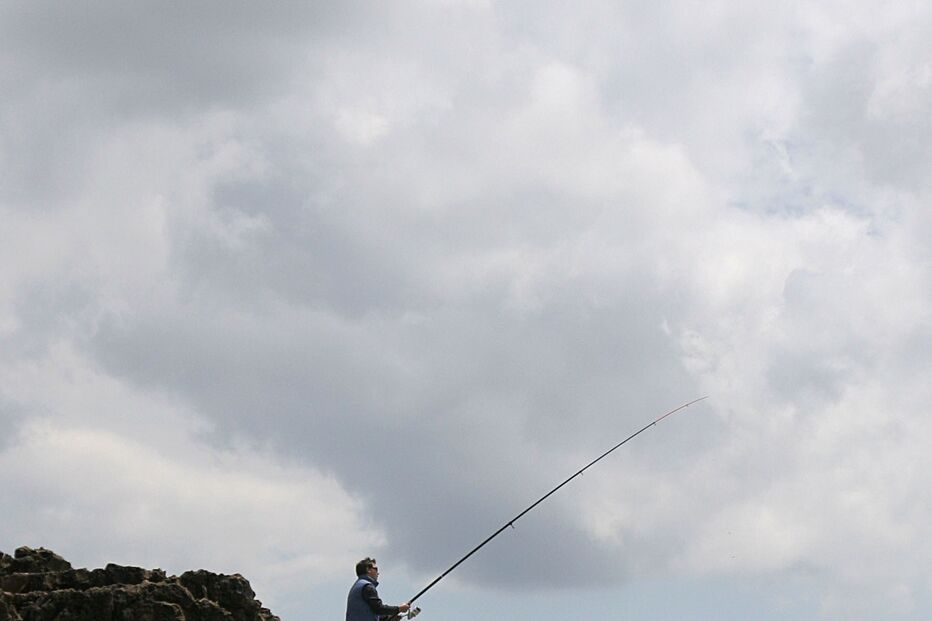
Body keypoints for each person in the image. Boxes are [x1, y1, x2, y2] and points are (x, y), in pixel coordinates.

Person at [345, 557, 410, 621]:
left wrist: (388, 618)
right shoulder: (367, 587)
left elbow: (370, 612)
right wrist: (399, 609)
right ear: (368, 569)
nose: (378, 573)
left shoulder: (358, 586)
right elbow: (378, 608)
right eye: (376, 569)